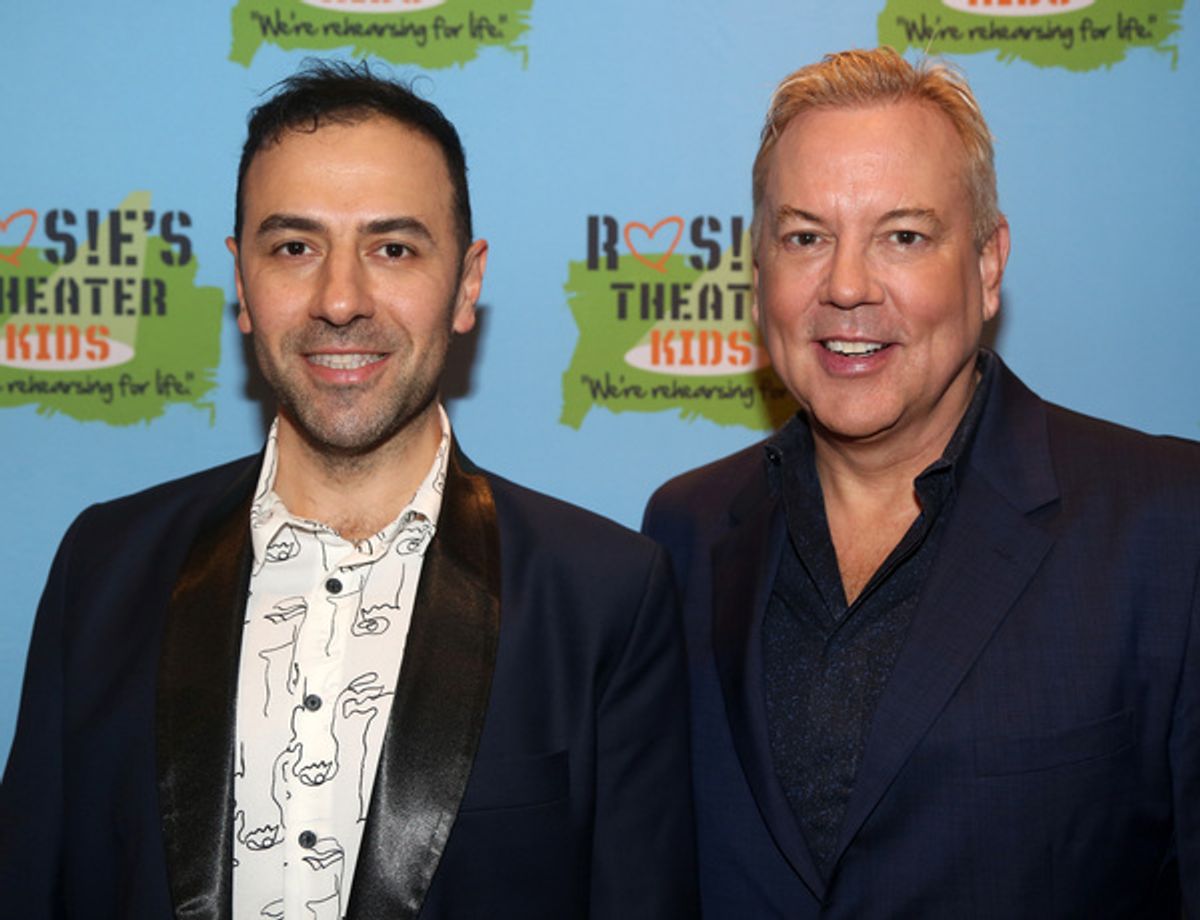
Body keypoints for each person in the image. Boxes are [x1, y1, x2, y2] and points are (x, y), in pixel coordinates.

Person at [0, 61, 696, 919]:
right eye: (295, 247)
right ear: (241, 282)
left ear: (467, 283)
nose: (339, 300)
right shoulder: (104, 569)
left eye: (393, 248)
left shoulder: (604, 597)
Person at [643, 46, 1198, 918]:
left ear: (986, 265)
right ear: (758, 270)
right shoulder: (684, 528)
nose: (849, 286)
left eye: (903, 235)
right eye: (805, 237)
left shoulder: (1168, 524)